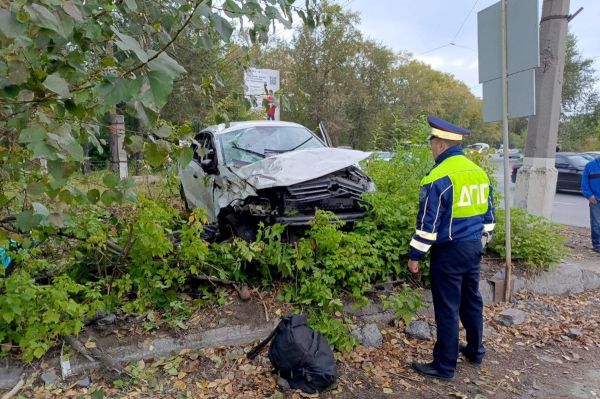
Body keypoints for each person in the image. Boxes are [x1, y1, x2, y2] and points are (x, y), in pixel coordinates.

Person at [408, 116, 495, 380]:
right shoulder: (479, 173)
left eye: (432, 143)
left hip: (448, 252)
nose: (431, 147)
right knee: (472, 300)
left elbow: (427, 224)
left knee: (447, 307)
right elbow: (489, 217)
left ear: (442, 145)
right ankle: (475, 351)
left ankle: (444, 366)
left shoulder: (437, 177)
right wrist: (480, 243)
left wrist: (415, 256)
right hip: (473, 248)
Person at [581, 155, 600, 253]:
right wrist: (589, 195)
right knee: (596, 223)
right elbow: (584, 183)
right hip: (596, 200)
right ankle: (597, 244)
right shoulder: (590, 165)